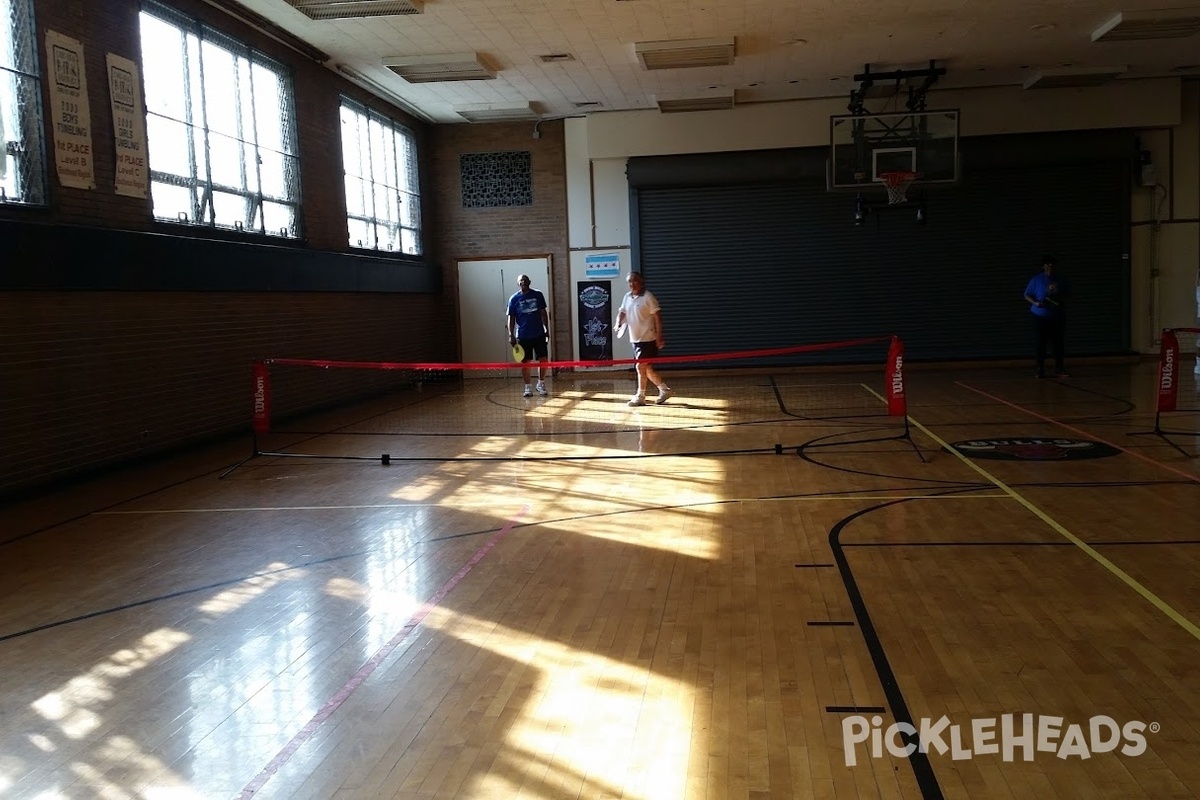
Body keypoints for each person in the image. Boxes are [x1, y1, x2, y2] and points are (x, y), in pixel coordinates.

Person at [615, 272, 673, 406]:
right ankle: (664, 390)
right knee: (646, 369)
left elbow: (658, 318)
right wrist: (618, 322)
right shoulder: (627, 297)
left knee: (640, 366)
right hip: (635, 340)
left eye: (635, 281)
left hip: (648, 339)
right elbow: (622, 312)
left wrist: (659, 337)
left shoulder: (648, 297)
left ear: (641, 282)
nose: (632, 284)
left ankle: (640, 396)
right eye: (629, 281)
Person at [1024, 255, 1069, 379]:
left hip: (1058, 317)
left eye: (1052, 265)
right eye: (1048, 265)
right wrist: (1036, 303)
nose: (1050, 268)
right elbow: (1027, 295)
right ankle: (1039, 368)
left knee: (1058, 344)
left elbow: (1068, 294)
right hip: (1040, 317)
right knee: (1040, 343)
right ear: (1044, 266)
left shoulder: (1061, 280)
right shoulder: (1036, 279)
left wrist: (1059, 300)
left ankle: (1059, 368)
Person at [507, 274, 550, 396]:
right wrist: (511, 334)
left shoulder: (538, 295)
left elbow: (543, 313)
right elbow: (511, 318)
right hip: (523, 335)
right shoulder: (514, 299)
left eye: (525, 280)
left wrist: (546, 329)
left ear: (529, 282)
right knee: (526, 361)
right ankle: (528, 387)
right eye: (521, 281)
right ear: (518, 284)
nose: (523, 282)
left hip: (539, 334)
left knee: (543, 360)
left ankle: (541, 384)